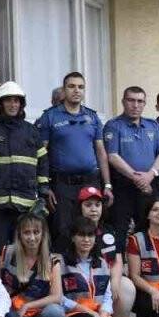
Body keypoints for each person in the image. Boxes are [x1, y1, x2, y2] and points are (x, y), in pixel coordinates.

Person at [0, 82, 49, 262]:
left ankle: (24, 287)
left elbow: (43, 162)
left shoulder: (31, 131)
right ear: (0, 104)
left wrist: (44, 189)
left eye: (17, 101)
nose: (13, 105)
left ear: (21, 104)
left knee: (26, 251)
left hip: (26, 205)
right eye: (9, 101)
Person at [37, 71, 112, 240]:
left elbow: (101, 152)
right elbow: (42, 155)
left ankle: (92, 265)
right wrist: (45, 187)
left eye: (80, 87)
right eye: (71, 86)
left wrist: (107, 185)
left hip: (90, 181)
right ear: (64, 90)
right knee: (63, 230)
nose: (76, 90)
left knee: (91, 229)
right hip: (62, 185)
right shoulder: (50, 116)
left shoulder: (92, 117)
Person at [59, 217, 128, 317]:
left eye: (90, 235)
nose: (86, 240)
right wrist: (90, 313)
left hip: (96, 315)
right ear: (73, 237)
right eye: (81, 235)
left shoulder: (102, 263)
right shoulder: (60, 262)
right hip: (72, 316)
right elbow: (58, 297)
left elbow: (107, 296)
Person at [75, 187, 136, 317]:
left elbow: (116, 259)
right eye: (88, 205)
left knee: (126, 287)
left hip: (105, 281)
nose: (93, 209)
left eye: (97, 204)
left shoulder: (109, 230)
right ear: (80, 207)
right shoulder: (72, 230)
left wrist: (114, 282)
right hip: (82, 284)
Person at [104, 86, 159, 234]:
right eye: (131, 100)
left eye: (140, 101)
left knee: (148, 229)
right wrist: (136, 177)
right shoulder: (113, 125)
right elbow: (112, 156)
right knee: (121, 230)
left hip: (149, 186)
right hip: (123, 187)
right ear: (123, 102)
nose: (135, 105)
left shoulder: (153, 125)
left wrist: (150, 175)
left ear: (145, 104)